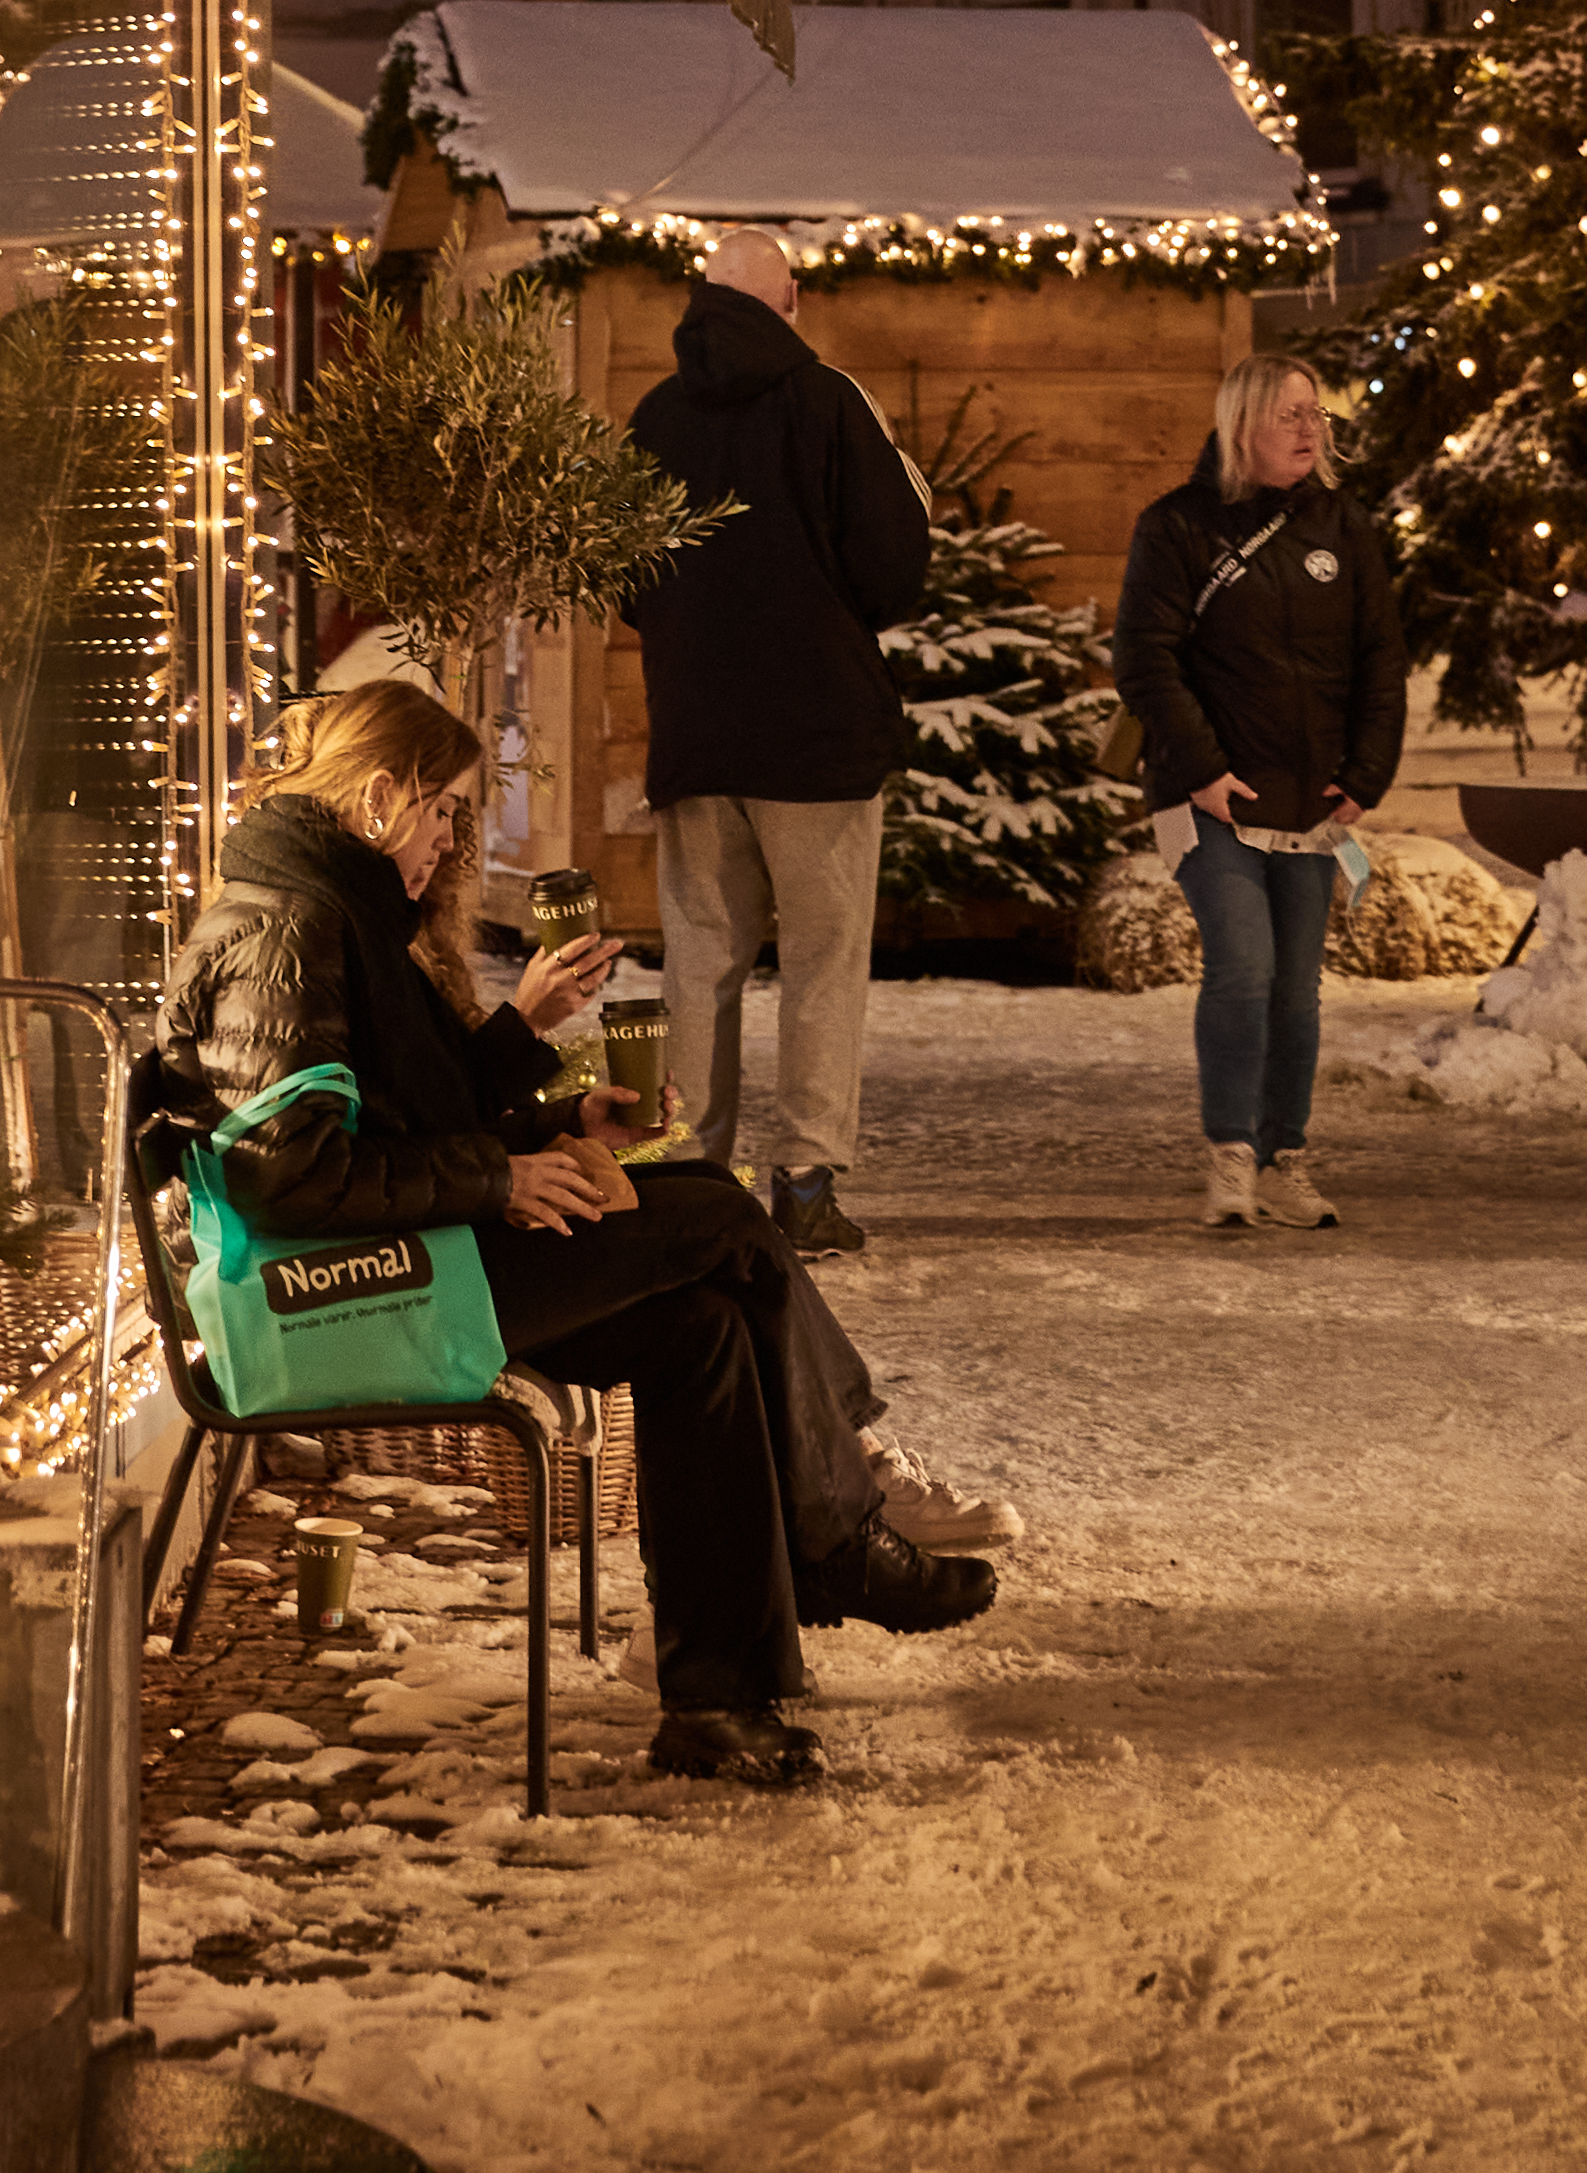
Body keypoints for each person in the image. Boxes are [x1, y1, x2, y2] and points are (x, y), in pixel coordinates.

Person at [155, 673, 997, 1795]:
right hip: (339, 1300)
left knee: (703, 1321)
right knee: (721, 1215)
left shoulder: (328, 906)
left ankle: (717, 1704)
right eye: (440, 810)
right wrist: (501, 1175)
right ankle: (837, 1531)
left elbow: (401, 1117)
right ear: (377, 796)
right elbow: (291, 1181)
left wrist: (557, 1126)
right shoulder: (288, 930)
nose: (449, 837)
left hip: (405, 1260)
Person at [625, 225, 931, 1263]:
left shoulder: (655, 416)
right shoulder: (831, 403)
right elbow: (894, 568)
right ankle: (803, 1183)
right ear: (790, 300)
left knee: (699, 959)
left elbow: (625, 575)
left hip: (696, 733)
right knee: (822, 962)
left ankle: (688, 1177)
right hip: (818, 739)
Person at [1112, 355, 1405, 1236]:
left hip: (1309, 800)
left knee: (1296, 990)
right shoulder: (1177, 526)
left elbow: (1380, 657)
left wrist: (1365, 773)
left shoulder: (1343, 525)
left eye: (1316, 414)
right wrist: (1203, 769)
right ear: (1243, 425)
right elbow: (1145, 660)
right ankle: (1232, 1152)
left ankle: (1285, 1158)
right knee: (1244, 966)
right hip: (1209, 796)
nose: (1310, 430)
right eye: (1289, 415)